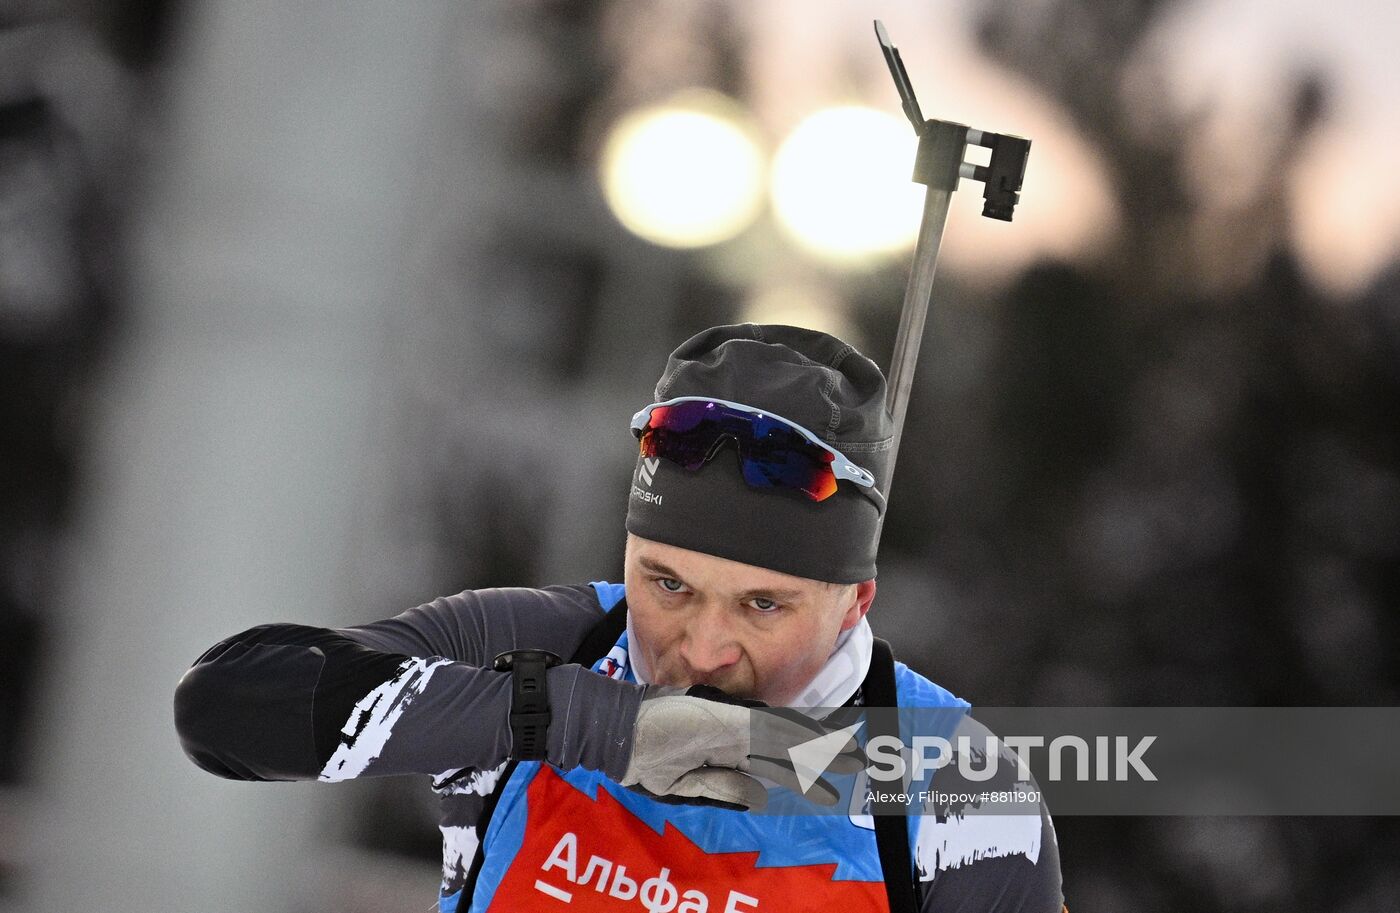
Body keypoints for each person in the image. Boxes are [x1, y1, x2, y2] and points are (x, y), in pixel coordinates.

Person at [175, 323, 1065, 912]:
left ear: (853, 604)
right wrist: (588, 722)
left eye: (764, 604)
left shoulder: (955, 781)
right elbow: (225, 710)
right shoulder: (541, 649)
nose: (703, 649)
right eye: (667, 585)